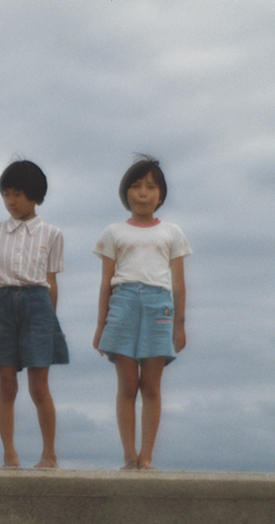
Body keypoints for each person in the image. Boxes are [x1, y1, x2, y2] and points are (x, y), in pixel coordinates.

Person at [92, 154, 192, 471]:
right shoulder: (113, 232)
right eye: (136, 186)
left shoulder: (172, 233)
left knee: (150, 386)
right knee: (127, 386)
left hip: (158, 304)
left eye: (151, 187)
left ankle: (146, 457)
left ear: (160, 195)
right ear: (126, 193)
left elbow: (179, 283)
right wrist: (100, 325)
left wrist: (180, 325)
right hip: (123, 302)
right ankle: (128, 456)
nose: (143, 193)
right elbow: (105, 282)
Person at [0, 160, 69, 468]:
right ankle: (9, 454)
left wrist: (49, 321)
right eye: (6, 194)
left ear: (35, 196)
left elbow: (52, 283)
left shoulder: (52, 233)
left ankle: (49, 455)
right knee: (6, 383)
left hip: (37, 304)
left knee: (39, 385)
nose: (11, 201)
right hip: (0, 304)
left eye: (18, 194)